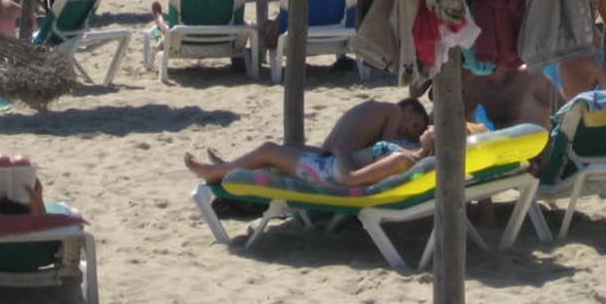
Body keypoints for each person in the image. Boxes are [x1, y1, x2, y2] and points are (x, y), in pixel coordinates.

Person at [183, 97, 431, 186]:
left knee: (271, 150)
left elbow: (373, 158)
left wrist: (342, 153)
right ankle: (227, 167)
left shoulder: (402, 154)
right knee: (281, 150)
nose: (411, 133)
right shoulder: (394, 111)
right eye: (415, 125)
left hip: (332, 162)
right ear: (408, 108)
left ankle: (217, 171)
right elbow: (386, 143)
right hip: (333, 159)